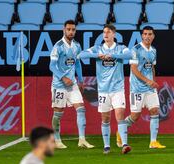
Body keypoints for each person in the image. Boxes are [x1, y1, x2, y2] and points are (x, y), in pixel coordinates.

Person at [78, 24, 132, 154]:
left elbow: (129, 54)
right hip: (103, 90)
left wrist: (114, 56)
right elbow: (81, 55)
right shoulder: (98, 48)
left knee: (120, 114)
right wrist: (98, 55)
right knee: (105, 118)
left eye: (108, 32)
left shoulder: (120, 48)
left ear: (114, 34)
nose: (106, 34)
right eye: (104, 32)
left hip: (117, 88)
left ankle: (125, 144)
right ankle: (107, 146)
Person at [119, 26, 166, 149]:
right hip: (137, 88)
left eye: (150, 34)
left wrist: (153, 82)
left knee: (155, 111)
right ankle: (121, 130)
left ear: (153, 36)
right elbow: (134, 69)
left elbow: (152, 67)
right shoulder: (135, 49)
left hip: (150, 89)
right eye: (145, 34)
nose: (147, 36)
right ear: (142, 36)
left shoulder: (154, 50)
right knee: (135, 116)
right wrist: (148, 81)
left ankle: (153, 142)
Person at [49, 20, 94, 149]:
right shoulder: (58, 46)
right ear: (64, 30)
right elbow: (51, 65)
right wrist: (63, 78)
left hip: (73, 84)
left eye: (73, 29)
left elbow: (77, 63)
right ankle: (56, 140)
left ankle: (82, 140)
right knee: (58, 113)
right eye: (68, 29)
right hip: (59, 85)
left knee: (81, 109)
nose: (71, 32)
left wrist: (80, 81)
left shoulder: (77, 46)